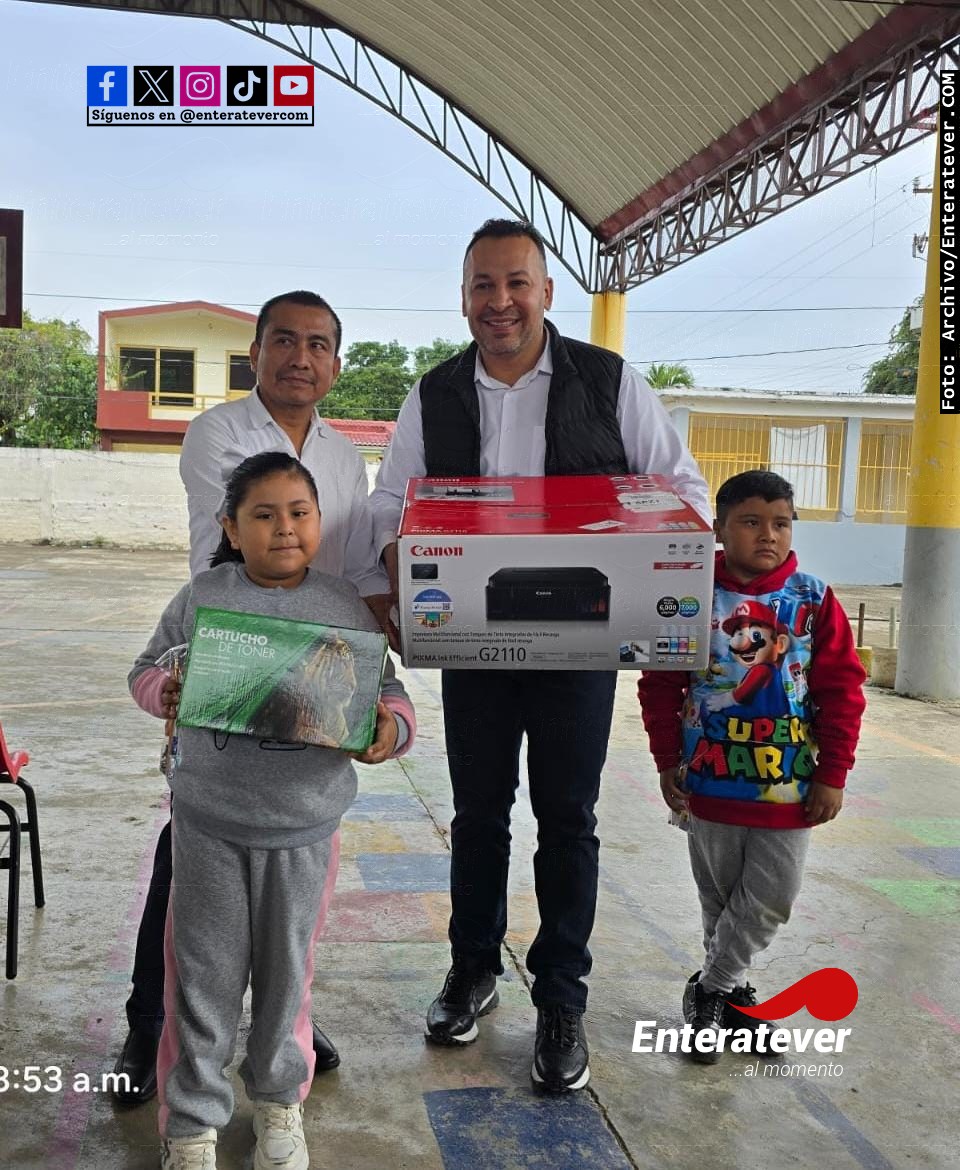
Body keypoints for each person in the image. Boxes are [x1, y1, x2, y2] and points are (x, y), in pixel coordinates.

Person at [369, 219, 710, 1093]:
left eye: (516, 282)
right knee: (478, 816)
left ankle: (561, 997)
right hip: (474, 642)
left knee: (567, 819)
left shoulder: (609, 381)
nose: (501, 302)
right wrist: (399, 583)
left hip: (578, 643)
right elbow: (389, 503)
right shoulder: (434, 394)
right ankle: (472, 970)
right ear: (463, 298)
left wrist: (645, 567)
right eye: (483, 285)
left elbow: (683, 492)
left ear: (547, 292)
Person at [113, 291, 389, 1104]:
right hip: (231, 657)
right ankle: (149, 1023)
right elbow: (242, 536)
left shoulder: (345, 457)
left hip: (315, 671)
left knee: (294, 877)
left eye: (319, 344)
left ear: (336, 361)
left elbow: (347, 563)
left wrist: (372, 660)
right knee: (193, 861)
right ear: (257, 352)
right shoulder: (219, 432)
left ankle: (285, 1023)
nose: (301, 358)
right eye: (284, 341)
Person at [130, 452, 415, 1170]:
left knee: (288, 979)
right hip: (208, 826)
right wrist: (163, 689)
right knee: (201, 979)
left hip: (305, 831)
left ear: (318, 522)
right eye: (263, 515)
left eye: (299, 512)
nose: (283, 528)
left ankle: (279, 1100)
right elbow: (145, 669)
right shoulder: (203, 596)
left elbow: (389, 694)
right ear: (231, 527)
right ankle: (191, 1122)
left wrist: (390, 730)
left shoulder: (344, 605)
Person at [636, 470, 866, 1063]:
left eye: (781, 523)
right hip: (708, 780)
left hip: (788, 787)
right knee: (719, 899)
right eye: (751, 522)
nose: (769, 534)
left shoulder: (813, 599)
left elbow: (842, 691)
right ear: (719, 528)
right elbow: (660, 684)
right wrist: (666, 760)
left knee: (770, 899)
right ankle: (734, 1003)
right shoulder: (690, 595)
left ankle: (708, 990)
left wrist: (833, 773)